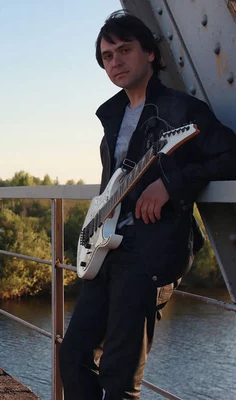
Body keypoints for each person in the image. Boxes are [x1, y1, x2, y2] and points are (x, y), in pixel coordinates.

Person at [58, 10, 236, 400]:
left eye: (125, 50)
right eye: (107, 56)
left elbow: (231, 155)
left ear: (151, 54)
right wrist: (95, 221)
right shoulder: (114, 114)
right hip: (105, 250)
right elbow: (113, 184)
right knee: (72, 355)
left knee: (119, 376)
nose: (116, 61)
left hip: (151, 252)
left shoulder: (182, 111)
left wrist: (171, 184)